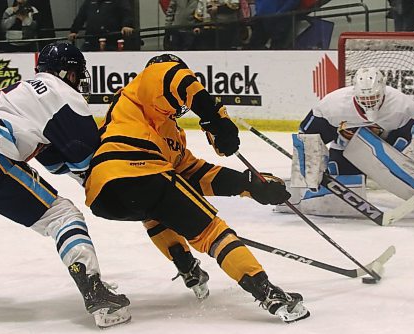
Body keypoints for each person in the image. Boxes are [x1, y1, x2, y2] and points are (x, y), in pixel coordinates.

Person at [83, 53, 310, 323]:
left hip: (103, 194)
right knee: (211, 230)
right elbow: (176, 75)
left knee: (157, 208)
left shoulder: (168, 131)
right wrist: (216, 118)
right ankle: (268, 293)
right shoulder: (142, 86)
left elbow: (193, 173)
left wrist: (248, 185)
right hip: (139, 171)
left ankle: (187, 266)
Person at [0, 42, 131, 328]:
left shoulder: (24, 92)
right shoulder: (66, 97)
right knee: (62, 216)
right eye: (76, 73)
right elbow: (85, 163)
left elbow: (54, 161)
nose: (79, 80)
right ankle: (96, 293)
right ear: (67, 73)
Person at [294, 67, 414, 220]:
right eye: (364, 98)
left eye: (373, 97)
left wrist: (411, 163)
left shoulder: (401, 106)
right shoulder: (333, 106)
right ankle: (302, 195)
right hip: (346, 149)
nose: (369, 102)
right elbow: (308, 135)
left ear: (383, 89)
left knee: (404, 169)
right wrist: (312, 170)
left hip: (388, 149)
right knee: (341, 196)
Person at [68, 0, 135, 51]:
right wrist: (74, 31)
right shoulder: (89, 2)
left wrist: (127, 25)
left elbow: (126, 13)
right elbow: (80, 17)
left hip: (112, 41)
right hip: (91, 41)